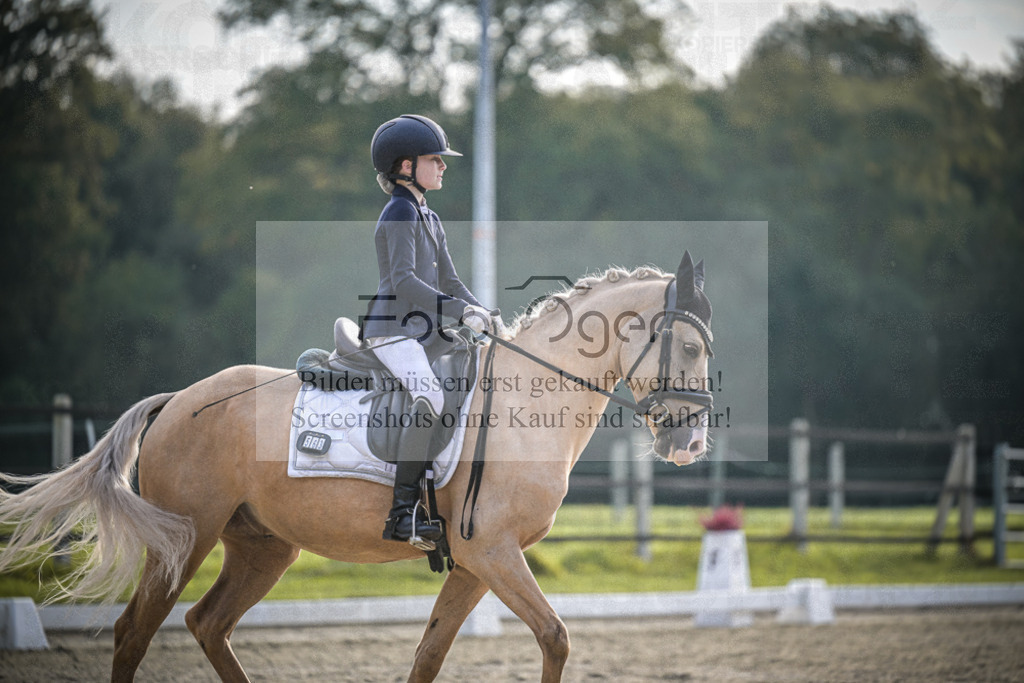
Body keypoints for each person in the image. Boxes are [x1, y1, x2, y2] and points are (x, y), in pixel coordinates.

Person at [362, 114, 498, 546]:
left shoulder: (429, 216)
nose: (443, 166)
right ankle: (402, 514)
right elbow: (404, 282)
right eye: (434, 159)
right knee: (430, 396)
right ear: (405, 167)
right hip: (392, 332)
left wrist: (482, 313)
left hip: (421, 332)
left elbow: (450, 282)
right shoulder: (399, 212)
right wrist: (459, 312)